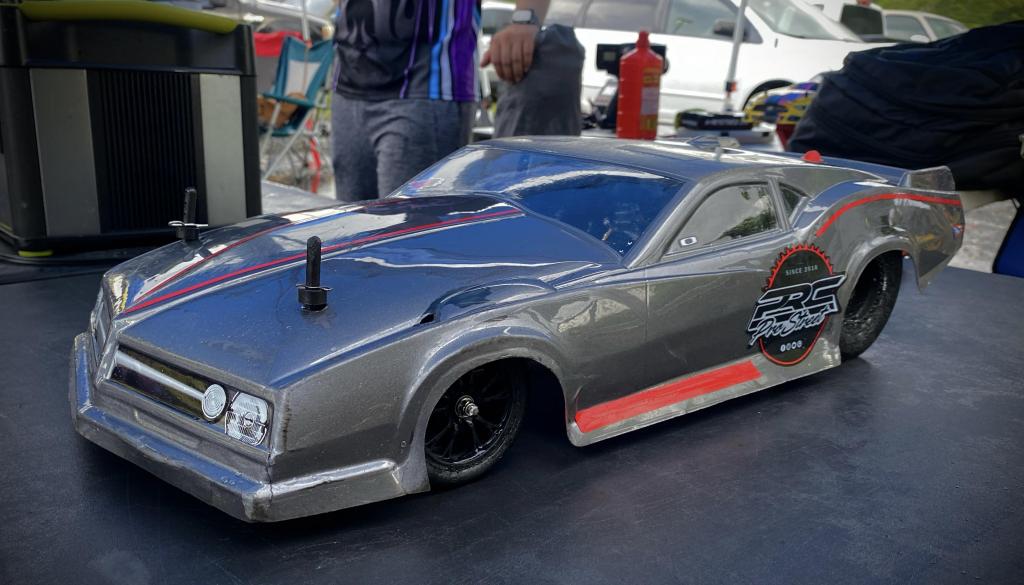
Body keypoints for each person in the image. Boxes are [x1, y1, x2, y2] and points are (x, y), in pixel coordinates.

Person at [331, 0, 551, 202]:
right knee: (347, 226)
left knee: (409, 225)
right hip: (348, 81)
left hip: (427, 83)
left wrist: (525, 19)